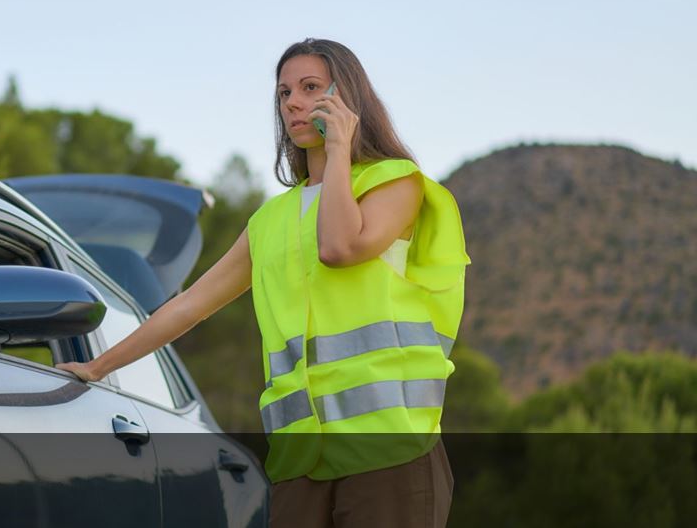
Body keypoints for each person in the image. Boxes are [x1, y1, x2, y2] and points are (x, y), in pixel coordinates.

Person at [56, 37, 469, 528]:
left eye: (310, 87)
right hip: (300, 462)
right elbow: (189, 306)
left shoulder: (395, 182)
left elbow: (339, 248)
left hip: (391, 450)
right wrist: (97, 367)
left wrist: (339, 149)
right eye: (284, 93)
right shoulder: (270, 221)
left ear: (347, 97)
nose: (292, 102)